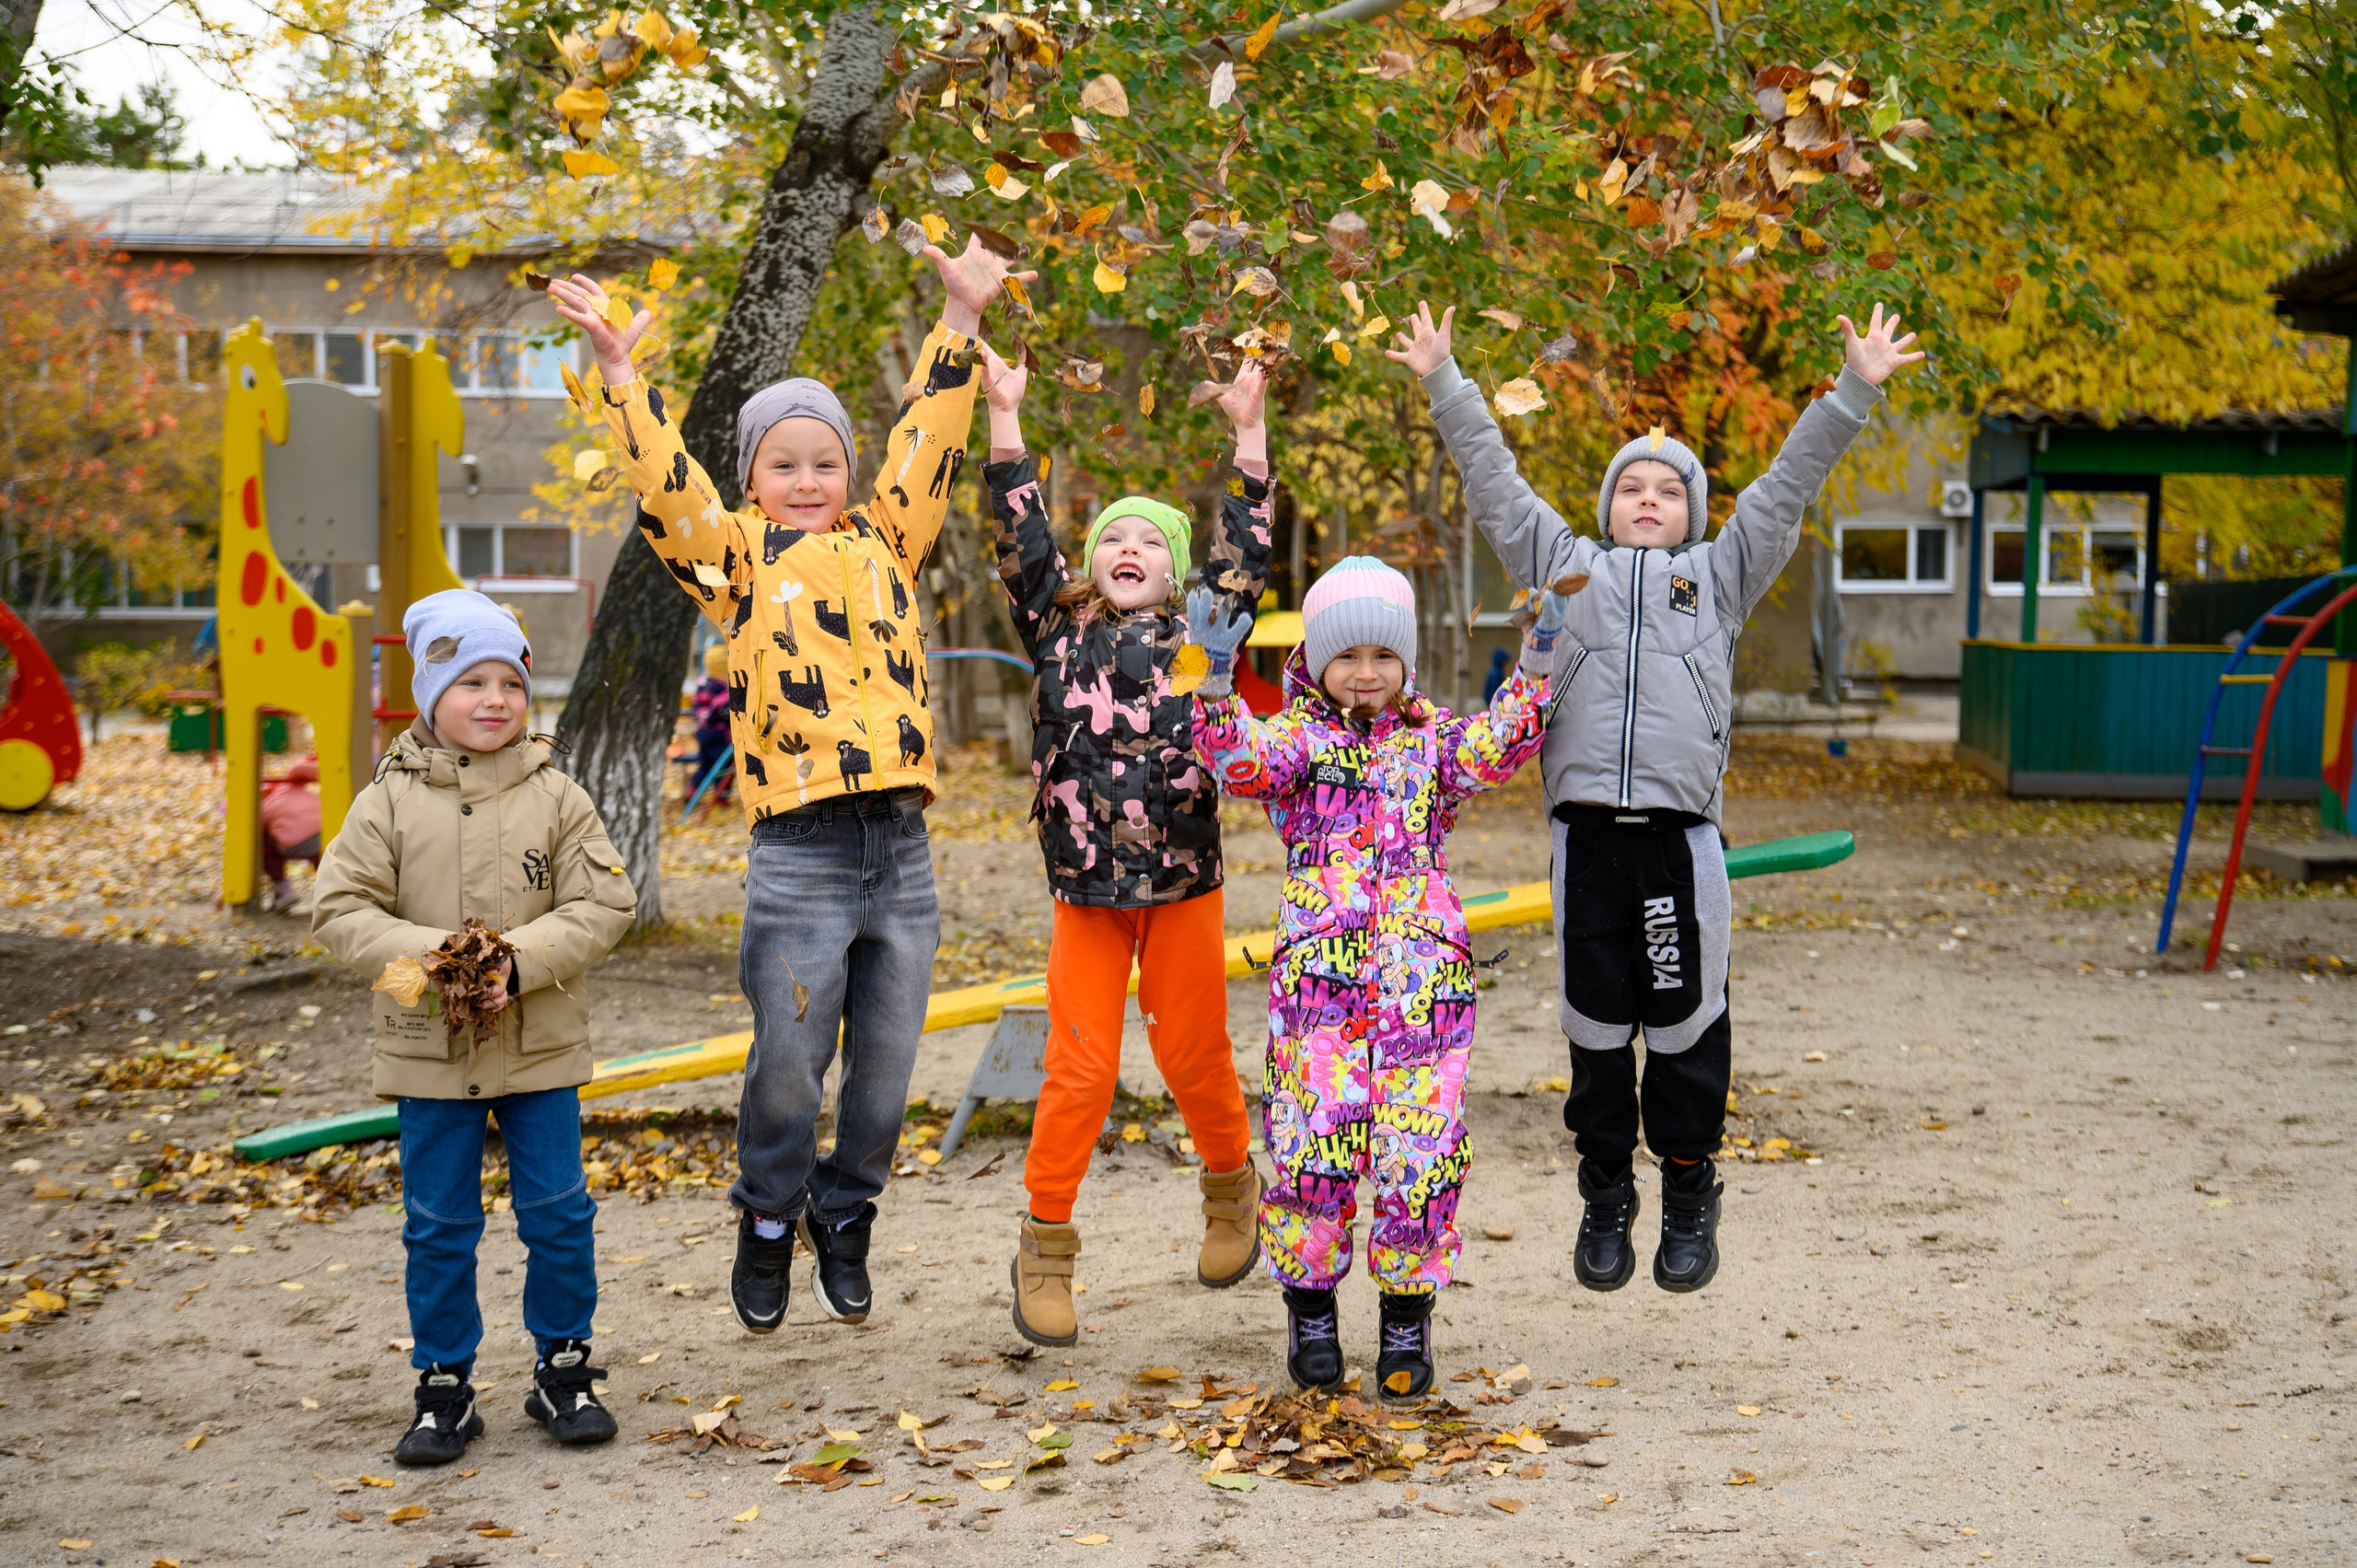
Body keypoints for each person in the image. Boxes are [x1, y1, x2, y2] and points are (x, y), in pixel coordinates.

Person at [1387, 299, 1922, 1295]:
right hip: (1586, 840)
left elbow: (1784, 486)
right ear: (1602, 505)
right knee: (1594, 1024)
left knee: (1682, 1022)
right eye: (1627, 486)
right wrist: (1443, 379)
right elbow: (1495, 486)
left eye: (1664, 489)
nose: (1644, 498)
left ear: (1692, 510)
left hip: (1679, 843)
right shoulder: (1565, 569)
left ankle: (1685, 1185)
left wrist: (1854, 390)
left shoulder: (1718, 578)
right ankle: (1603, 1191)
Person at [546, 238, 1023, 1335]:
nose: (807, 482)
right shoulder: (738, 561)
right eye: (783, 465)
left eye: (825, 464)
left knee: (885, 1073)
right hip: (801, 855)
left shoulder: (890, 542)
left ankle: (844, 1215)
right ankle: (768, 1218)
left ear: (850, 476)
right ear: (753, 476)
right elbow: (668, 492)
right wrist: (622, 376)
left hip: (897, 848)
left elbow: (928, 435)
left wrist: (959, 315)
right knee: (786, 1067)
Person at [1185, 556, 1563, 1400]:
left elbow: (1499, 746)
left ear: (1407, 663)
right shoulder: (1296, 742)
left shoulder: (1432, 742)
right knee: (1313, 1150)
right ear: (1318, 663)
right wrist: (1212, 683)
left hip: (1422, 996)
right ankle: (1311, 1305)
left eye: (1383, 657)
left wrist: (1536, 663)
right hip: (1319, 998)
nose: (1366, 673)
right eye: (1347, 656)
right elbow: (1234, 758)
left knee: (1419, 1156)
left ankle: (1406, 1311)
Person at [975, 345, 1274, 1348]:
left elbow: (1245, 554)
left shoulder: (1204, 633)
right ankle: (1045, 1245)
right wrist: (1006, 420)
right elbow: (1022, 535)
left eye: (1152, 538)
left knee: (1196, 1055)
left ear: (1176, 568)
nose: (1131, 546)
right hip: (1086, 895)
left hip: (1185, 883)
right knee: (1079, 1067)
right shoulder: (1056, 630)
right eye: (1116, 538)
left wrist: (1248, 436)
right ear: (1092, 565)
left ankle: (1232, 1194)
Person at [312, 588, 637, 1468]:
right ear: (430, 695)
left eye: (511, 682)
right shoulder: (385, 804)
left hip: (540, 1047)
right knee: (438, 1222)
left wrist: (517, 963)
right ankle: (444, 1384)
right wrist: (431, 966)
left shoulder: (559, 795)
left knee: (559, 1213)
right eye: (470, 681)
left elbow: (606, 901)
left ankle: (564, 1366)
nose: (494, 699)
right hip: (426, 1054)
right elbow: (338, 912)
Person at [260, 753, 322, 912]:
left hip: (298, 844)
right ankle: (330, 892)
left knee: (264, 846)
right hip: (328, 831)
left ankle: (282, 890)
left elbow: (245, 848)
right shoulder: (288, 786)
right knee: (323, 859)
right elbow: (301, 770)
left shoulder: (260, 807)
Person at [686, 641, 732, 803]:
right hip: (718, 732)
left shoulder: (703, 684)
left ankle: (693, 787)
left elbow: (695, 706)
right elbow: (726, 710)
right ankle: (721, 796)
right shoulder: (723, 688)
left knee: (705, 764)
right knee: (723, 765)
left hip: (702, 731)